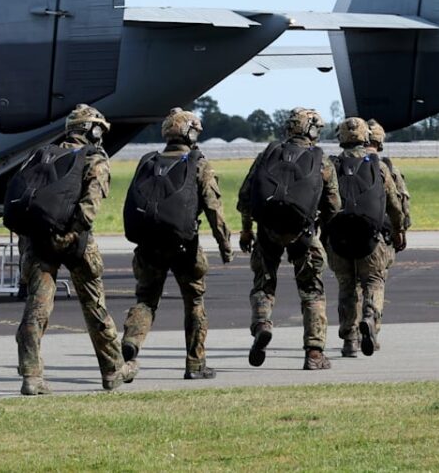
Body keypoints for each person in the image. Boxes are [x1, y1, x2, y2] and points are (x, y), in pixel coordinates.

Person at [13, 104, 134, 396]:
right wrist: (71, 234)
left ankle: (31, 376)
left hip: (38, 242)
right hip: (76, 242)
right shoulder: (94, 158)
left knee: (36, 310)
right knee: (95, 307)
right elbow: (90, 207)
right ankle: (112, 370)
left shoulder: (41, 155)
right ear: (92, 130)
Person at [121, 108, 233, 380]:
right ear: (190, 133)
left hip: (148, 245)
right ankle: (195, 365)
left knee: (146, 299)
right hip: (185, 246)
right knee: (194, 301)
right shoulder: (198, 163)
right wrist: (224, 244)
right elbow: (213, 207)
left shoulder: (148, 161)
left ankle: (132, 340)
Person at [238, 107, 341, 370]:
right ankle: (315, 353)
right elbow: (333, 206)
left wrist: (247, 230)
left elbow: (245, 197)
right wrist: (324, 231)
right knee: (312, 291)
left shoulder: (269, 154)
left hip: (267, 232)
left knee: (263, 284)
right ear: (312, 130)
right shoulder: (321, 160)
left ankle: (262, 323)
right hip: (304, 234)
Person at [327, 117, 406, 358]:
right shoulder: (379, 166)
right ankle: (370, 318)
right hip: (371, 238)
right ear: (366, 137)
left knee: (346, 287)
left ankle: (350, 340)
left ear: (341, 137)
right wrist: (399, 229)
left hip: (339, 238)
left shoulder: (330, 165)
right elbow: (394, 204)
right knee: (373, 281)